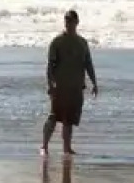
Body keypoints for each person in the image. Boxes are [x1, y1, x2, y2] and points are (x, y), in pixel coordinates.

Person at [42, 9, 98, 157]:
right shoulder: (57, 42)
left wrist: (94, 83)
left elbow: (88, 64)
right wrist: (50, 85)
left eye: (71, 21)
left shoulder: (82, 43)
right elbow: (50, 66)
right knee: (53, 116)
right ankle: (44, 146)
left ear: (77, 22)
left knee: (70, 119)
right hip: (60, 86)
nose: (69, 23)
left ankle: (67, 148)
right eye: (67, 21)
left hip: (76, 87)